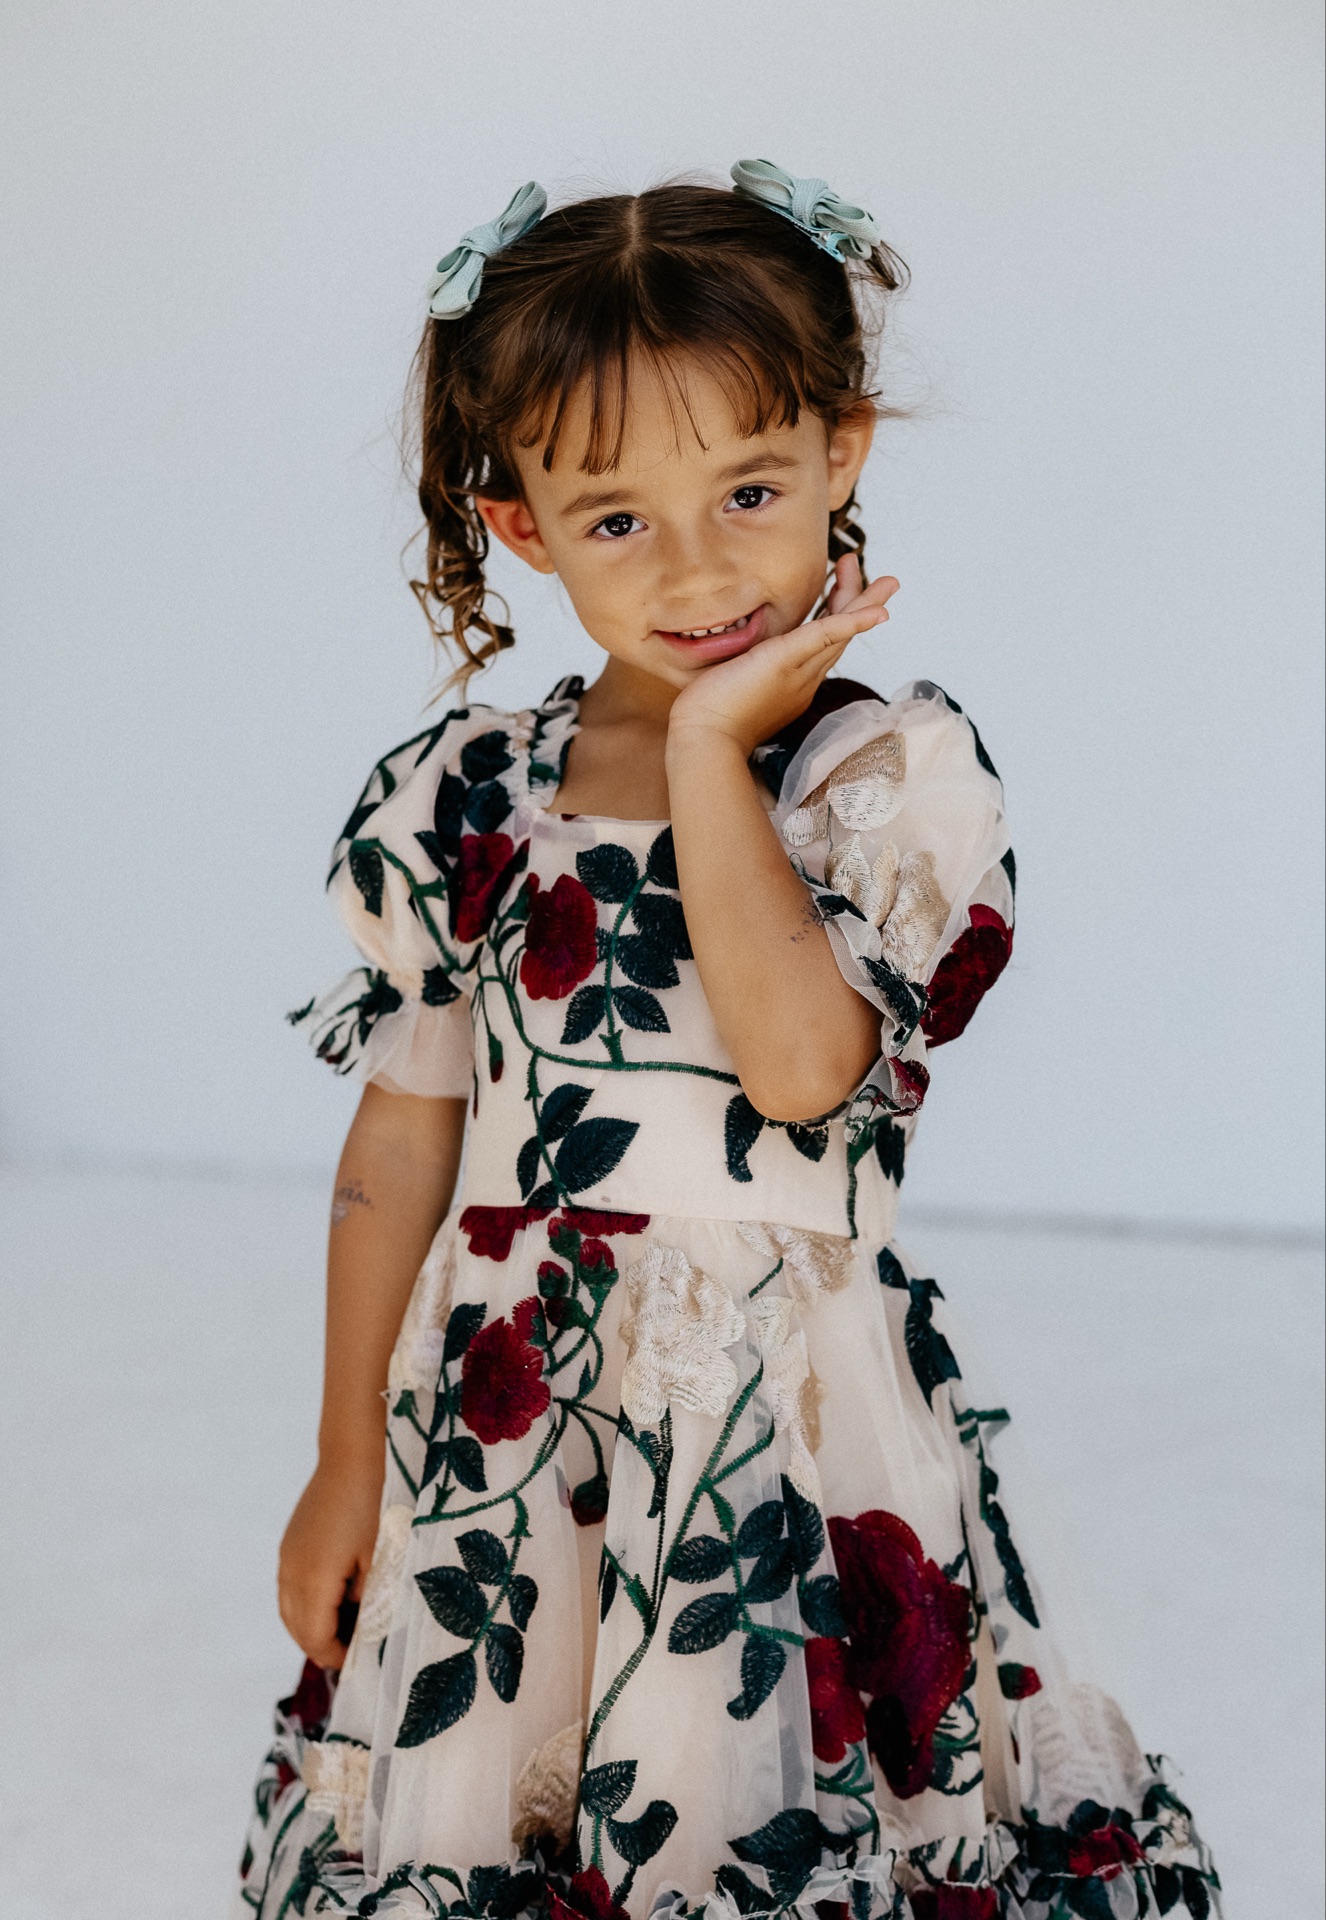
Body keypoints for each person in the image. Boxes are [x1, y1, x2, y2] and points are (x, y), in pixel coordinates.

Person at [232, 163, 1220, 1920]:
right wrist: (342, 1460)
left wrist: (706, 755)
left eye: (749, 489)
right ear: (521, 525)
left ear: (842, 451)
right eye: (616, 518)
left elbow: (798, 1072)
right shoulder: (464, 798)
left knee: (751, 1804)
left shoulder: (876, 775)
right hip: (515, 1435)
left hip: (788, 1430)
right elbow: (401, 1141)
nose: (696, 568)